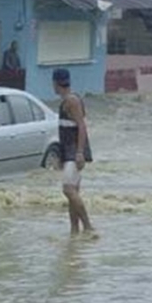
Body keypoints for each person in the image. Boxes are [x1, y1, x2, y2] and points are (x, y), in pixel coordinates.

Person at [52, 68, 97, 238]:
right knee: (74, 192)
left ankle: (88, 226)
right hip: (68, 150)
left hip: (74, 150)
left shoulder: (72, 101)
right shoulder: (67, 100)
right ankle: (74, 230)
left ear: (56, 83)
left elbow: (82, 126)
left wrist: (79, 153)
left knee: (68, 190)